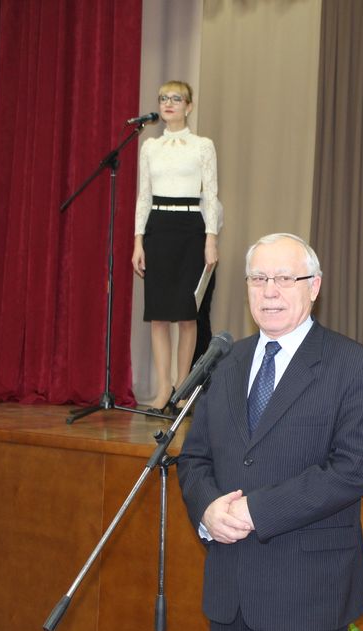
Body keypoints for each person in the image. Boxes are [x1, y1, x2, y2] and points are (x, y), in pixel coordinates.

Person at [176, 233, 363, 631]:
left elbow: (354, 469)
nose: (269, 291)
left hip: (306, 596)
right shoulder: (223, 363)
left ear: (314, 287)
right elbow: (194, 458)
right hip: (229, 592)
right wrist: (208, 509)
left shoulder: (356, 367)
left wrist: (256, 510)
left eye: (285, 279)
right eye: (258, 279)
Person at [132, 80, 220, 417]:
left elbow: (210, 194)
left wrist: (211, 238)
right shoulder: (149, 147)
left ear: (189, 106)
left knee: (186, 315)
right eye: (163, 98)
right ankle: (161, 390)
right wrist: (138, 241)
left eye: (176, 98)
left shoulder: (202, 146)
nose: (168, 103)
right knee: (158, 316)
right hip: (158, 227)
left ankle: (182, 390)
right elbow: (144, 196)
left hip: (190, 229)